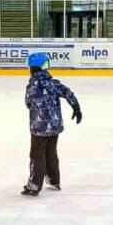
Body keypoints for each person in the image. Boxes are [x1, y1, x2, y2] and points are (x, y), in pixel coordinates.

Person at [21, 53, 82, 196]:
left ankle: (34, 185)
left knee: (37, 155)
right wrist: (76, 108)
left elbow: (28, 103)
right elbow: (68, 94)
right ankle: (54, 180)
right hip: (54, 126)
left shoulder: (31, 86)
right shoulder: (54, 83)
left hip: (38, 128)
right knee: (51, 152)